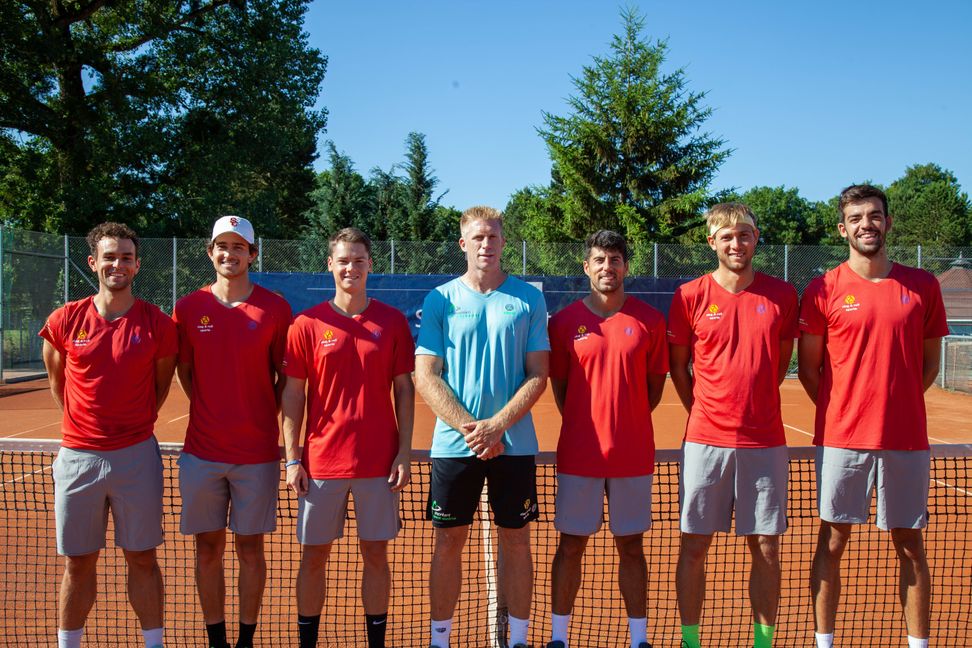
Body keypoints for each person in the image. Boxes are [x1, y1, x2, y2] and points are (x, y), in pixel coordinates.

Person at [798, 185, 947, 648]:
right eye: (857, 217)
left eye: (875, 215)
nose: (867, 224)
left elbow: (929, 364)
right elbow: (809, 369)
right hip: (841, 438)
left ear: (888, 222)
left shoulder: (922, 286)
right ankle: (825, 643)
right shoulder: (823, 288)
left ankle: (917, 644)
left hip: (906, 439)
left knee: (910, 544)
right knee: (832, 540)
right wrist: (848, 410)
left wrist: (895, 402)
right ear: (843, 229)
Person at [415, 205, 549, 648]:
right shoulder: (440, 299)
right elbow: (426, 375)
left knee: (517, 542)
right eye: (478, 238)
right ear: (463, 244)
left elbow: (538, 374)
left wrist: (497, 426)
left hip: (514, 444)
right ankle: (440, 640)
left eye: (493, 236)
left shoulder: (529, 298)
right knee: (448, 542)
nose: (486, 244)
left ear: (503, 242)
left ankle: (521, 640)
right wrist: (474, 430)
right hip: (455, 448)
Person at [40, 222, 178, 648]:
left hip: (136, 458)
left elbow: (161, 385)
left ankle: (152, 644)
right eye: (109, 256)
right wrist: (86, 429)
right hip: (78, 458)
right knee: (78, 564)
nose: (117, 264)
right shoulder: (64, 319)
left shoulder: (157, 323)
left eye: (125, 257)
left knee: (142, 559)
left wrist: (129, 427)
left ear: (137, 265)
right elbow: (57, 379)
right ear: (93, 262)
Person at [667, 203, 798, 648]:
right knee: (694, 547)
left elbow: (779, 364)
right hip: (705, 441)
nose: (736, 243)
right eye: (727, 236)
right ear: (712, 242)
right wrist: (706, 410)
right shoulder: (689, 296)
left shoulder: (782, 295)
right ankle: (690, 640)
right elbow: (679, 368)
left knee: (766, 547)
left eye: (744, 235)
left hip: (765, 442)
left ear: (756, 238)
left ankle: (763, 643)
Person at [281, 227, 415, 648]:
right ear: (330, 265)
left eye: (359, 260)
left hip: (378, 463)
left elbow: (404, 390)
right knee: (313, 557)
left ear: (370, 265)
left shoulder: (392, 322)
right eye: (343, 260)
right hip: (321, 463)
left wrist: (404, 453)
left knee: (376, 555)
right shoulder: (306, 324)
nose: (351, 268)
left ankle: (375, 642)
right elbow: (292, 393)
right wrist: (291, 458)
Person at [172, 216, 291, 648]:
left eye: (239, 247)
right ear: (210, 251)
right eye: (222, 246)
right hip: (201, 452)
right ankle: (216, 638)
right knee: (207, 549)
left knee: (251, 550)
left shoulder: (275, 309)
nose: (229, 253)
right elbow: (184, 370)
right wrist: (209, 410)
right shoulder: (187, 308)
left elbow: (284, 378)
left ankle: (245, 638)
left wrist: (260, 415)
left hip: (257, 454)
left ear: (252, 255)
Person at [545, 230, 668, 648]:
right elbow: (561, 390)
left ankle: (639, 640)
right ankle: (559, 638)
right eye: (599, 260)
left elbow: (654, 387)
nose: (607, 267)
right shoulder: (562, 323)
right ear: (586, 267)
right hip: (580, 455)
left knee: (631, 547)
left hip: (632, 455)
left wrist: (626, 422)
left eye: (615, 259)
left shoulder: (649, 320)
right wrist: (586, 423)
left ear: (626, 266)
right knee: (571, 545)